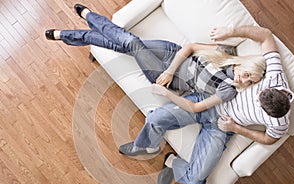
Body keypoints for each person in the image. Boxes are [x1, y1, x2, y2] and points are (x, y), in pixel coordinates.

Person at [120, 25, 294, 184]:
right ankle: (145, 145)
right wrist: (231, 31)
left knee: (195, 180)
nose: (254, 94)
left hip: (223, 127)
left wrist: (236, 128)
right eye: (258, 91)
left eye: (258, 103)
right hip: (208, 100)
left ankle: (172, 163)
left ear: (267, 113)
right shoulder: (275, 76)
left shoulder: (280, 122)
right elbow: (266, 35)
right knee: (155, 119)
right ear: (271, 88)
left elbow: (269, 139)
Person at [45, 3, 266, 115]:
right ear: (243, 64)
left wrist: (167, 85)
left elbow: (196, 108)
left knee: (131, 43)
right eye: (248, 74)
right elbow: (189, 47)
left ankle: (83, 21)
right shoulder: (227, 53)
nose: (245, 80)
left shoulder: (228, 91)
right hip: (172, 55)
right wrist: (171, 68)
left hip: (165, 77)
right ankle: (76, 29)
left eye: (250, 82)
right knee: (123, 44)